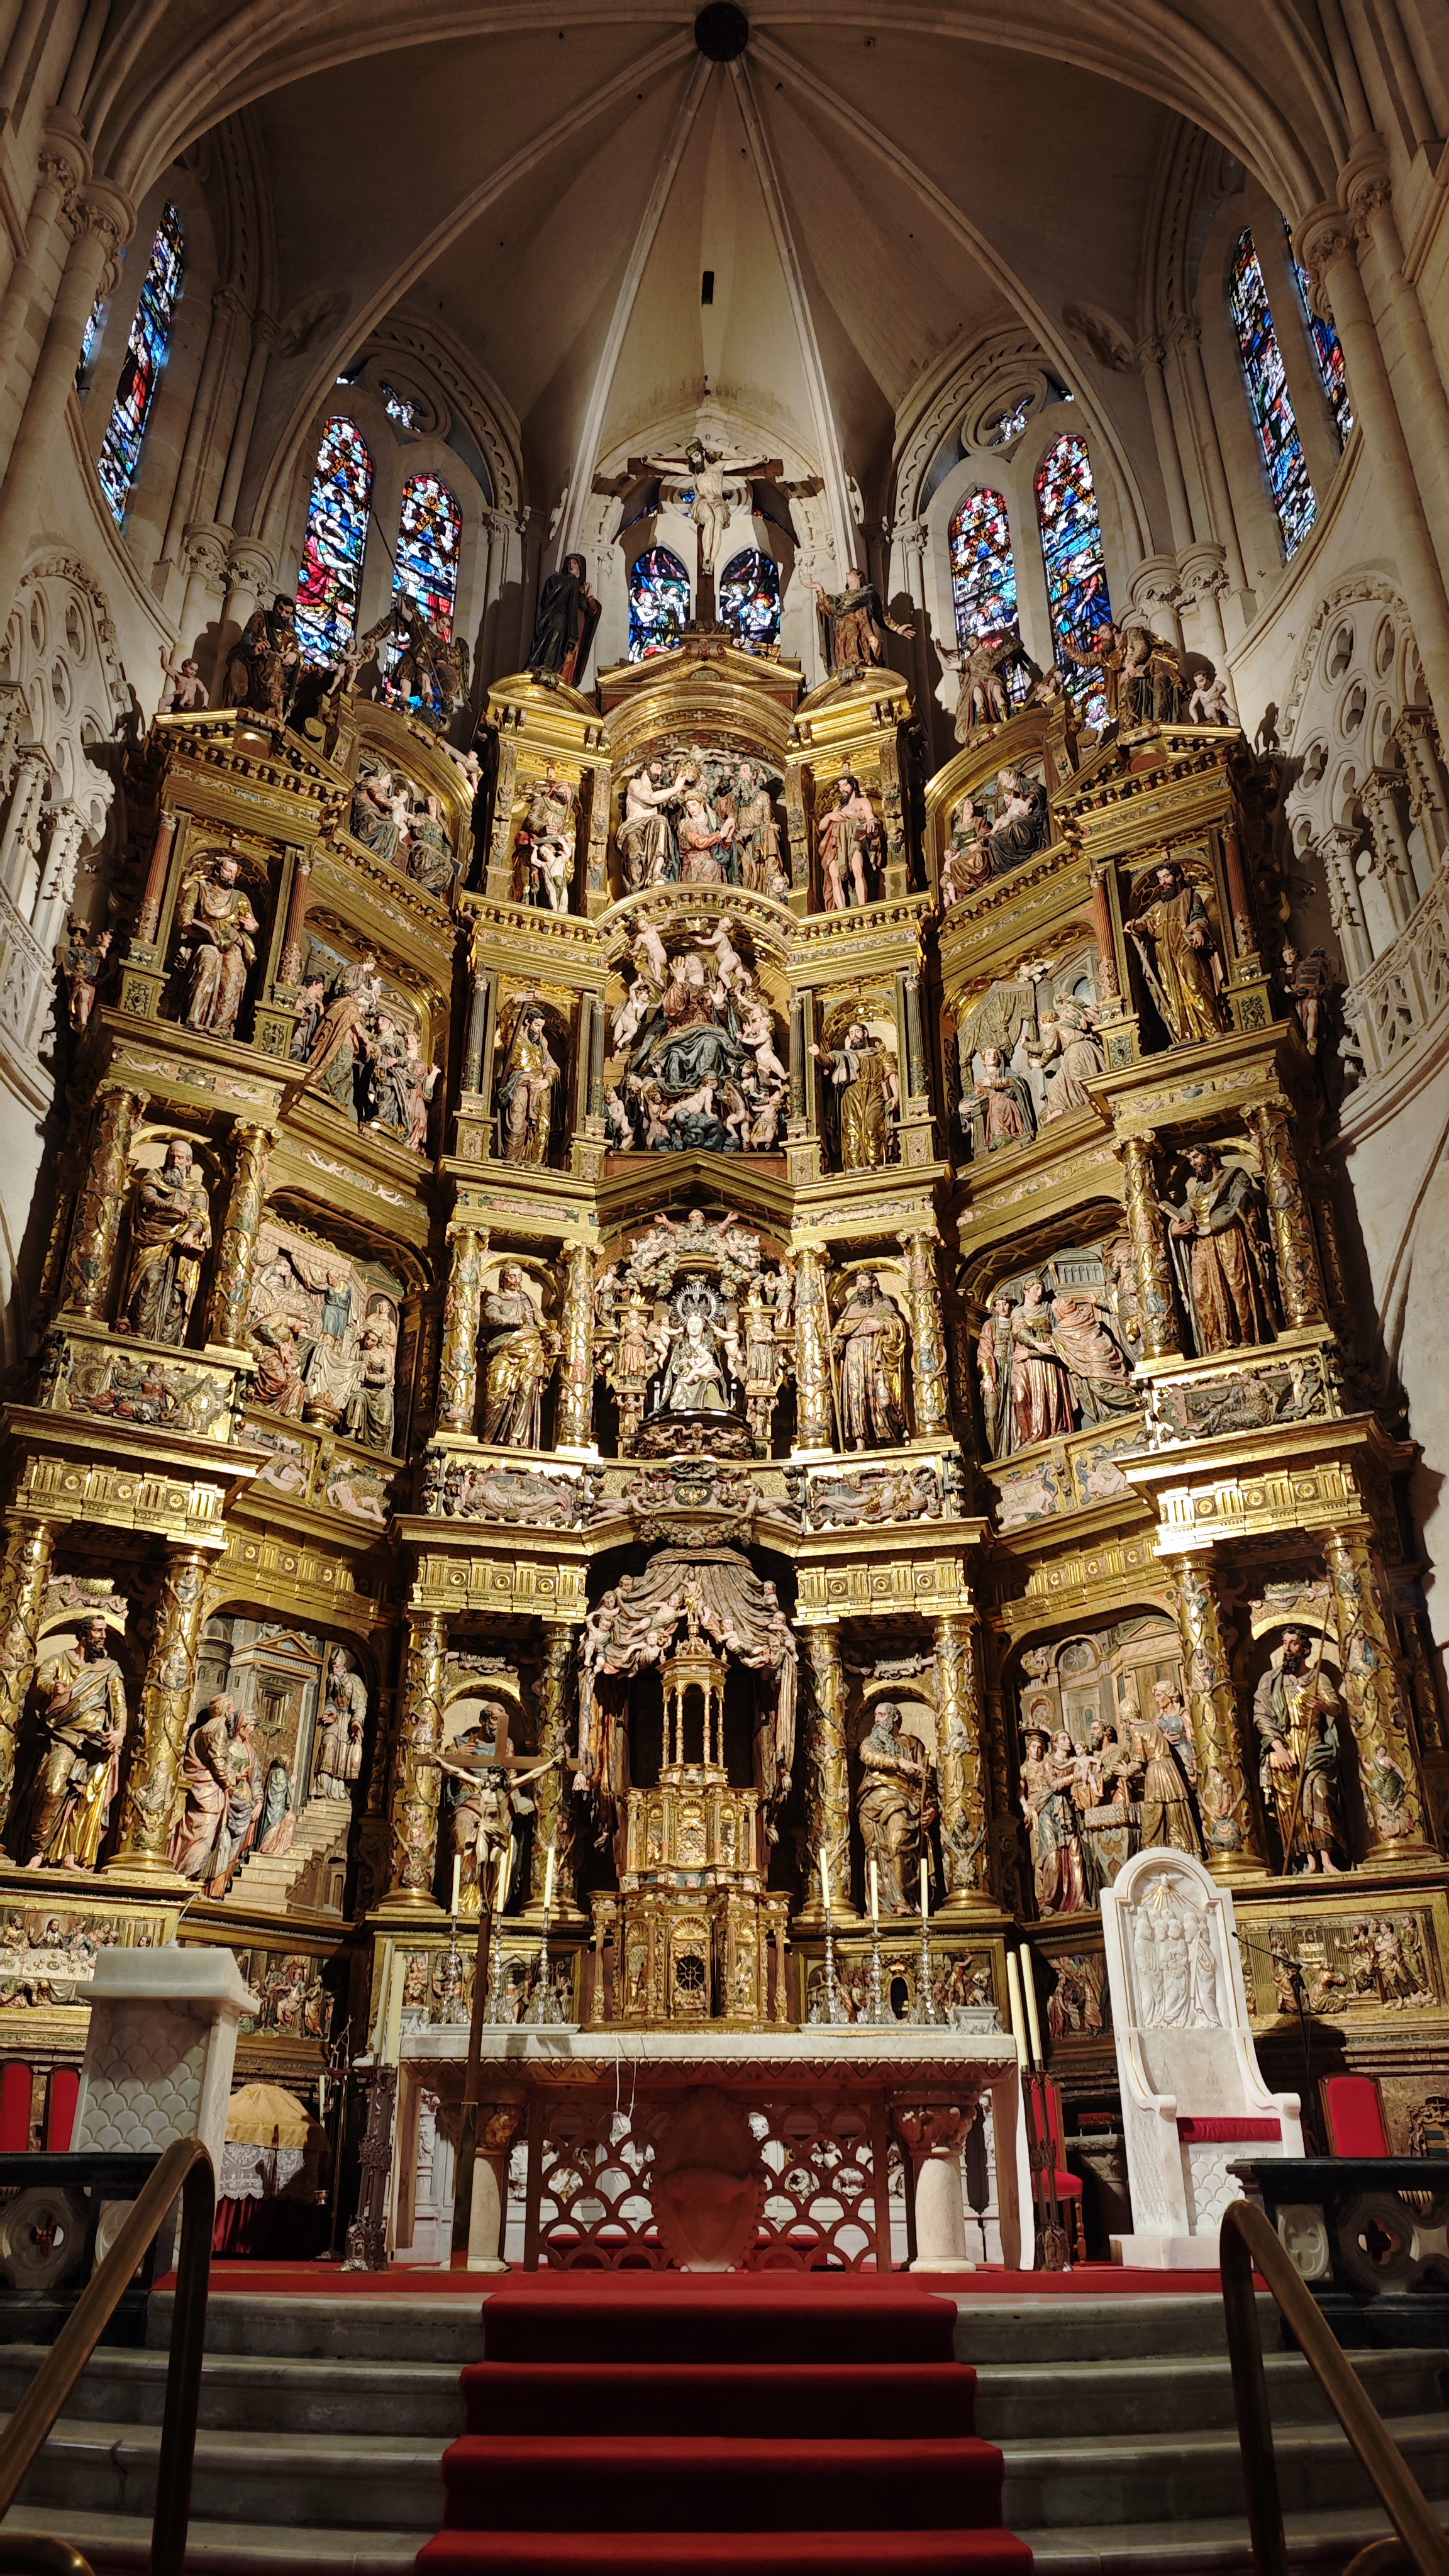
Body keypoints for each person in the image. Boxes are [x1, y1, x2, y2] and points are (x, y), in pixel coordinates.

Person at [23, 1616, 127, 1870]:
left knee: (86, 1800)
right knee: (52, 1790)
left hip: (96, 1744)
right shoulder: (59, 1660)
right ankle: (38, 1851)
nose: (103, 1636)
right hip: (63, 1738)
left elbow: (119, 1703)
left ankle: (70, 1857)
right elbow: (43, 1680)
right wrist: (54, 1688)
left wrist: (120, 1731)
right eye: (98, 1631)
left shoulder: (109, 1667)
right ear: (83, 1634)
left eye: (104, 1632)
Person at [1165, 1145, 1277, 1353]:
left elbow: (1247, 1207)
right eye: (1189, 1160)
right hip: (1203, 1245)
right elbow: (1186, 1213)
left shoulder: (1234, 1175)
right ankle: (1217, 1344)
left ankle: (1248, 1339)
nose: (1194, 1163)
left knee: (1238, 1286)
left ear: (1211, 1156)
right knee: (1203, 1292)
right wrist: (1175, 1230)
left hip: (1230, 1236)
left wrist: (1256, 1237)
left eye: (1196, 1157)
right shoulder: (1197, 1192)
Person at [1253, 1626, 1345, 1874]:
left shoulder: (1318, 1679)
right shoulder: (1271, 1680)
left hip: (1313, 1745)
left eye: (1293, 1644)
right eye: (1285, 1643)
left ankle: (1327, 1860)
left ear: (1305, 1650)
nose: (1287, 1648)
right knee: (1290, 1804)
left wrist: (1323, 1705)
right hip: (1284, 1747)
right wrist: (1278, 1748)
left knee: (1318, 1792)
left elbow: (1336, 1707)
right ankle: (1310, 1861)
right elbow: (1261, 1715)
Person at [120, 1141, 213, 1345]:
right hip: (153, 1239)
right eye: (172, 1156)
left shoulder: (196, 1190)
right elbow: (146, 1197)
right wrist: (172, 1207)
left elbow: (200, 1216)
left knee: (177, 1294)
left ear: (188, 1161)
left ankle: (167, 1343)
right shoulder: (155, 1177)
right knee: (149, 1278)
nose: (175, 1161)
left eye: (180, 1157)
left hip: (183, 1248)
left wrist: (190, 1234)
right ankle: (139, 1332)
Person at [1127, 860, 1224, 1044]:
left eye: (1166, 877)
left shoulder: (1190, 896)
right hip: (1162, 951)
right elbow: (1144, 921)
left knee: (1195, 984)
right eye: (1160, 879)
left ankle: (1212, 1029)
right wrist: (1133, 925)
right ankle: (1184, 1035)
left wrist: (1198, 930)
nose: (1163, 882)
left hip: (1184, 943)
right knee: (1170, 992)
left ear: (1177, 876)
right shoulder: (1157, 907)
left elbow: (1198, 915)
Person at [857, 1702, 935, 1913]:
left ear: (894, 1718)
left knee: (896, 1845)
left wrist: (931, 1808)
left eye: (881, 1715)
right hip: (871, 1803)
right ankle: (881, 1908)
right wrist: (901, 1763)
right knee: (874, 1853)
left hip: (902, 1802)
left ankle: (902, 1901)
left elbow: (928, 1781)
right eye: (875, 1715)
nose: (876, 1719)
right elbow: (869, 1757)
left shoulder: (912, 1744)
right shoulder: (870, 1742)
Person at [174, 853, 259, 1037]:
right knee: (207, 965)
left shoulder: (240, 897)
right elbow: (185, 917)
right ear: (217, 870)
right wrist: (203, 934)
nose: (232, 876)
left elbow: (252, 923)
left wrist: (251, 926)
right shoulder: (200, 888)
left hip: (233, 942)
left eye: (234, 873)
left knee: (232, 974)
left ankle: (222, 1027)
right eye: (228, 871)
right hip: (206, 941)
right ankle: (194, 1020)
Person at [832, 1272, 909, 1449]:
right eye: (857, 1281)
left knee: (883, 1397)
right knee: (855, 1396)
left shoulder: (883, 1305)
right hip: (853, 1355)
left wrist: (882, 1326)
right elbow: (838, 1334)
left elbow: (899, 1327)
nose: (860, 1284)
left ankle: (889, 1438)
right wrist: (835, 1347)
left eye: (864, 1280)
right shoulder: (850, 1310)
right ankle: (860, 1442)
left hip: (877, 1354)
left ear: (874, 1284)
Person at [481, 1265, 555, 1446]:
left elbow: (542, 1322)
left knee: (526, 1391)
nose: (517, 1280)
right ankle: (488, 1438)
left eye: (519, 1276)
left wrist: (553, 1334)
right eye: (512, 1277)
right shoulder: (494, 1299)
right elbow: (493, 1318)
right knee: (494, 1394)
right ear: (504, 1278)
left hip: (531, 1348)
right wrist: (518, 1321)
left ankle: (516, 1437)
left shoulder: (528, 1300)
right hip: (503, 1348)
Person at [1019, 1727, 1089, 1914]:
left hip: (1066, 1812)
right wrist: (1075, 1777)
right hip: (1046, 1812)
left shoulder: (1073, 1762)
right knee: (1053, 1856)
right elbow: (1054, 1785)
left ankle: (1081, 1901)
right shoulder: (1045, 1764)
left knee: (1075, 1854)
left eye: (1040, 1747)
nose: (1069, 1742)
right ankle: (1049, 1902)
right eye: (1064, 1738)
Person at [811, 1023, 898, 1170]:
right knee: (852, 1135)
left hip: (875, 1093)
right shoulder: (845, 1055)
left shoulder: (880, 1054)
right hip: (851, 1096)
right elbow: (828, 1060)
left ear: (865, 1033)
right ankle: (855, 1171)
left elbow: (892, 1075)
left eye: (857, 1031)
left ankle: (877, 1169)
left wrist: (896, 1096)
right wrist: (818, 1054)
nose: (854, 1035)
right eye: (851, 1033)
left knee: (873, 1129)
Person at [495, 1004, 560, 1166]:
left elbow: (554, 1067)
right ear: (527, 1022)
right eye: (537, 1025)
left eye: (541, 1027)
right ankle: (510, 1163)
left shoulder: (541, 1045)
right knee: (517, 1124)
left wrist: (546, 1081)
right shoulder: (514, 1037)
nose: (539, 1030)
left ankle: (535, 1166)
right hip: (520, 1085)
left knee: (542, 1129)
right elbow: (504, 1020)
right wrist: (514, 1001)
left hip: (540, 1089)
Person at [527, 553, 601, 686]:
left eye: (575, 563)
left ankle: (564, 681)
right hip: (558, 620)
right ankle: (546, 667)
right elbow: (551, 596)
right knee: (555, 633)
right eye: (569, 563)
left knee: (570, 657)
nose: (571, 565)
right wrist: (574, 585)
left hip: (575, 629)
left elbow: (590, 610)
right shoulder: (559, 580)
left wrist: (587, 595)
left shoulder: (582, 587)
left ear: (581, 567)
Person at [818, 774, 880, 908]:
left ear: (853, 785)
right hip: (837, 843)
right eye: (840, 786)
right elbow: (822, 827)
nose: (842, 789)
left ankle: (863, 907)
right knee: (835, 877)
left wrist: (870, 821)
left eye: (845, 785)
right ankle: (841, 911)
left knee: (858, 870)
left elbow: (872, 819)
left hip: (854, 838)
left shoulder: (862, 802)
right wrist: (829, 816)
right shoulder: (838, 809)